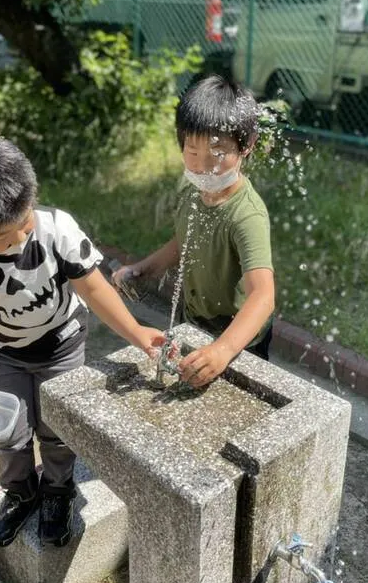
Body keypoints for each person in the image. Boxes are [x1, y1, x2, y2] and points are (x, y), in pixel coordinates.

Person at [0, 137, 166, 549]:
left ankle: (58, 489)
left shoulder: (56, 229)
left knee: (57, 426)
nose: (23, 233)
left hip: (62, 345)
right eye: (3, 235)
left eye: (26, 218)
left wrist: (137, 331)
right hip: (2, 352)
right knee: (8, 430)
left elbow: (93, 288)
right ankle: (20, 491)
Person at [113, 75, 275, 387]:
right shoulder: (195, 191)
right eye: (191, 149)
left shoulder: (246, 215)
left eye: (217, 153)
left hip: (239, 336)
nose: (202, 166)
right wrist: (144, 268)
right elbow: (185, 240)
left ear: (247, 146)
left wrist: (224, 349)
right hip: (197, 319)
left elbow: (263, 295)